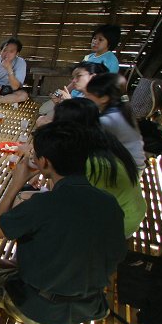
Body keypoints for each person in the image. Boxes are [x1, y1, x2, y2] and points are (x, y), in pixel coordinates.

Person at [0, 122, 126, 324]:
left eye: (35, 155)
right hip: (88, 304)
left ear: (45, 162)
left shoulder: (43, 204)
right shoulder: (109, 202)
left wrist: (16, 183)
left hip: (41, 308)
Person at [53, 98, 146, 237]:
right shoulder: (103, 140)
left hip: (118, 225)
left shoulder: (91, 162)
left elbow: (64, 202)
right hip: (129, 214)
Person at [85, 72, 145, 170]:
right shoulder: (121, 110)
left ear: (104, 98)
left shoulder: (108, 120)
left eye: (89, 94)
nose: (86, 97)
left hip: (128, 172)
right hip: (134, 167)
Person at [36, 61, 107, 126]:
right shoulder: (82, 95)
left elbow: (84, 124)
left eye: (79, 76)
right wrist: (59, 104)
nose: (73, 81)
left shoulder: (100, 99)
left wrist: (69, 103)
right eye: (73, 78)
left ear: (93, 77)